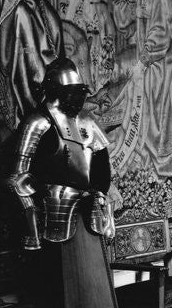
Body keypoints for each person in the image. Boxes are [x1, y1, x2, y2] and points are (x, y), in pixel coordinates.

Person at [7, 57, 114, 250]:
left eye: (79, 91)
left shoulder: (87, 123)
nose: (78, 97)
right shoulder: (38, 123)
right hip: (53, 216)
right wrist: (32, 223)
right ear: (56, 91)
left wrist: (105, 207)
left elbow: (102, 173)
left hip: (91, 217)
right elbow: (17, 180)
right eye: (72, 91)